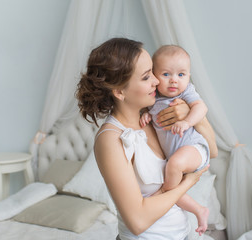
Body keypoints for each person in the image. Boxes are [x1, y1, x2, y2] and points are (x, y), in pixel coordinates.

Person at [76, 38, 218, 240]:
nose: (157, 80)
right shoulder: (111, 139)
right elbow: (137, 222)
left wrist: (194, 115)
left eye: (153, 71)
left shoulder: (155, 116)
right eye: (145, 77)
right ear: (119, 91)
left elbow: (212, 152)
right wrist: (189, 182)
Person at [140, 45, 211, 235]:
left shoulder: (185, 92)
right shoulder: (152, 98)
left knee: (173, 170)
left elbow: (201, 108)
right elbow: (150, 112)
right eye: (166, 74)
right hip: (175, 157)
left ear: (188, 76)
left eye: (181, 74)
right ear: (154, 76)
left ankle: (163, 194)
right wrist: (147, 115)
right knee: (173, 187)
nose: (174, 80)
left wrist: (187, 121)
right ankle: (199, 210)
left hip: (195, 148)